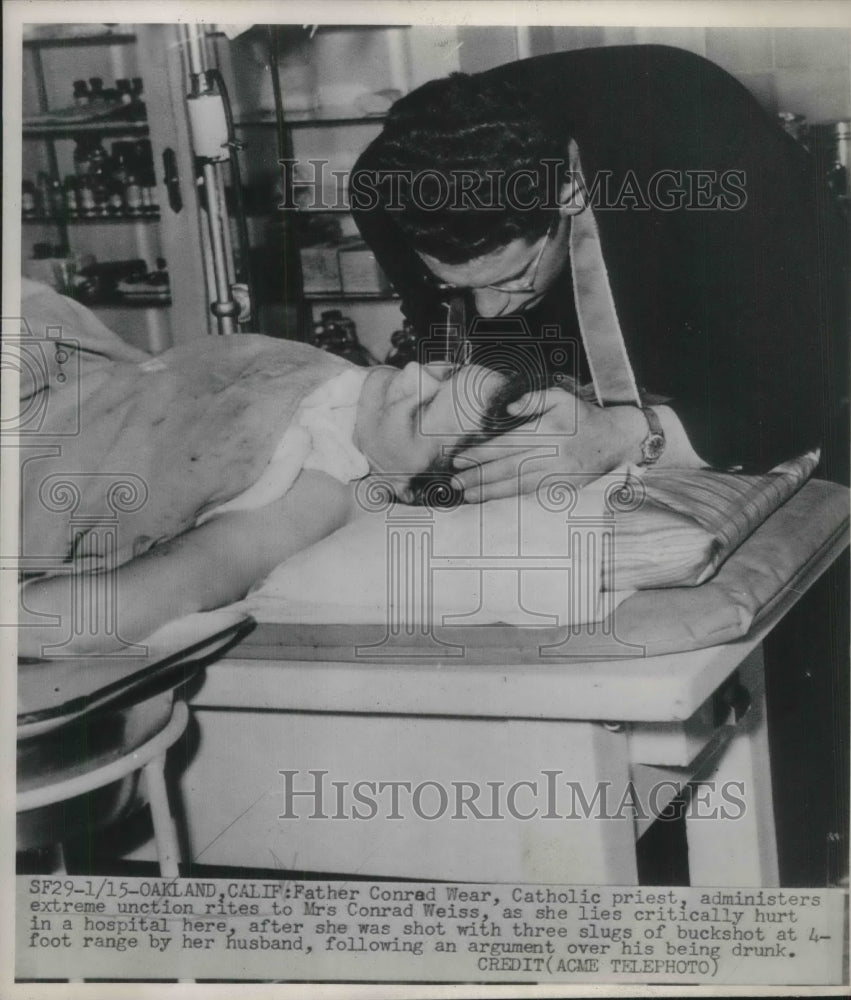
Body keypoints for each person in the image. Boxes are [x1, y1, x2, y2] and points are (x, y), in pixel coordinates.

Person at [351, 44, 849, 499]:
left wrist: (630, 436)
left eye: (511, 278)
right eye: (455, 283)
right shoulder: (382, 188)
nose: (487, 308)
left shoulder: (704, 143)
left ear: (569, 190)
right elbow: (453, 338)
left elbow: (812, 383)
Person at [16, 281, 514, 659]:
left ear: (407, 489)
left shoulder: (319, 491)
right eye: (445, 372)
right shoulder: (346, 383)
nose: (413, 373)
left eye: (419, 411)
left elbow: (120, 607)